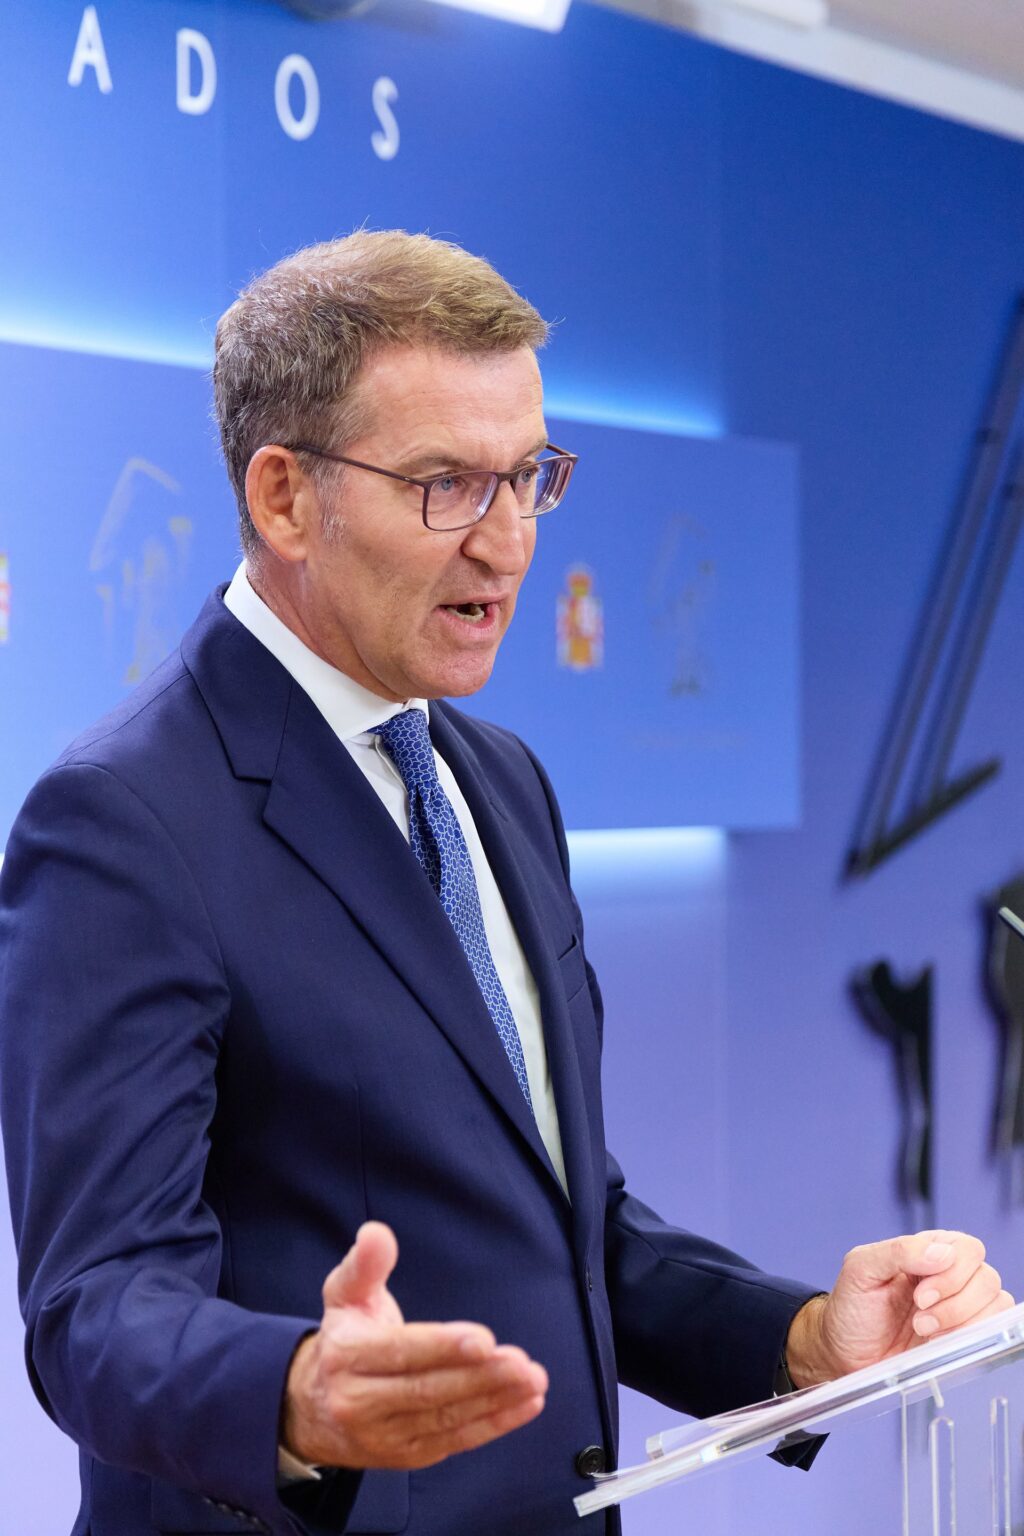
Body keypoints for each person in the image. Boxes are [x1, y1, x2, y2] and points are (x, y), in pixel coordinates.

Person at [0, 232, 1012, 1536]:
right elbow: (95, 1304)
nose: (509, 542)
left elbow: (564, 1223)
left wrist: (803, 1339)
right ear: (284, 498)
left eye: (528, 476)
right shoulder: (122, 821)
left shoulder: (498, 777)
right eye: (445, 486)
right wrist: (293, 1394)